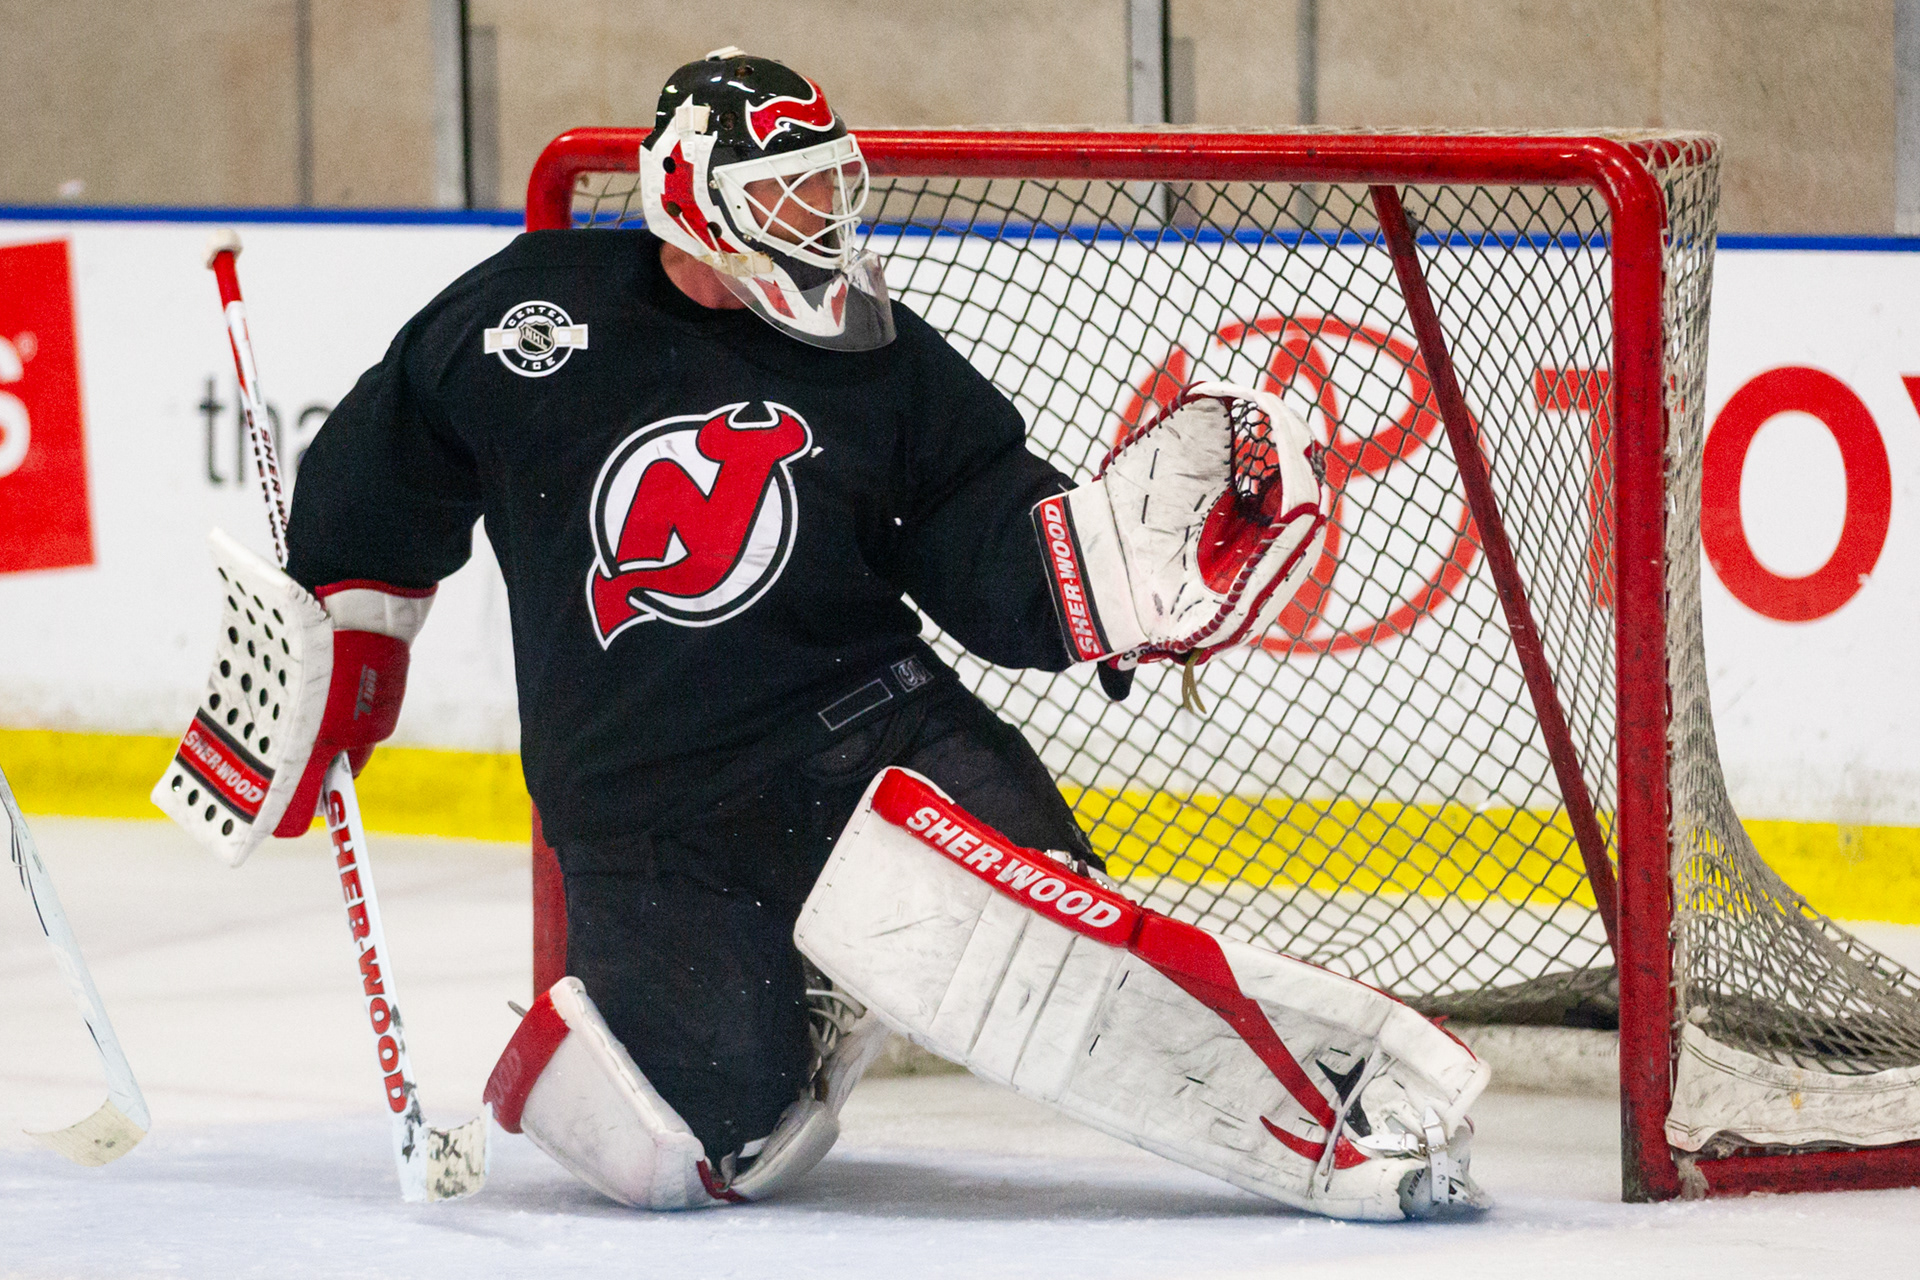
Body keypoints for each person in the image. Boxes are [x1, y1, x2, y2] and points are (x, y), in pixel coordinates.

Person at [158, 48, 1486, 1219]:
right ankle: (812, 982)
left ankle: (1358, 1114)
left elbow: (990, 544)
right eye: (785, 197)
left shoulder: (878, 356)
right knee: (685, 1153)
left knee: (1040, 931)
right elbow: (387, 460)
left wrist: (1119, 572)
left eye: (827, 190)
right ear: (693, 198)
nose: (820, 223)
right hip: (643, 819)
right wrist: (346, 637)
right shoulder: (533, 315)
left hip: (866, 739)